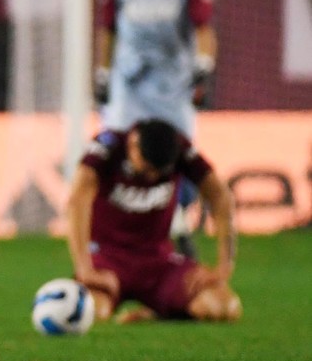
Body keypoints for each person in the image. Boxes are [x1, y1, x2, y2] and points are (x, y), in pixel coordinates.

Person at [95, 0, 216, 258]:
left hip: (171, 89)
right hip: (128, 88)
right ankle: (112, 236)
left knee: (176, 163)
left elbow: (203, 29)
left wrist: (203, 66)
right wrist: (102, 73)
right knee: (115, 157)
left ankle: (174, 225)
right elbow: (108, 32)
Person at [67, 119, 241, 324]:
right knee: (92, 312)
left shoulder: (181, 149)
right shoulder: (107, 147)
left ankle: (158, 312)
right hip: (107, 261)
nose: (152, 178)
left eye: (161, 172)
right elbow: (78, 201)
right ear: (132, 145)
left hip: (158, 262)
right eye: (148, 169)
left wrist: (224, 265)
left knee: (223, 307)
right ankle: (165, 307)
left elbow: (220, 197)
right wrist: (84, 267)